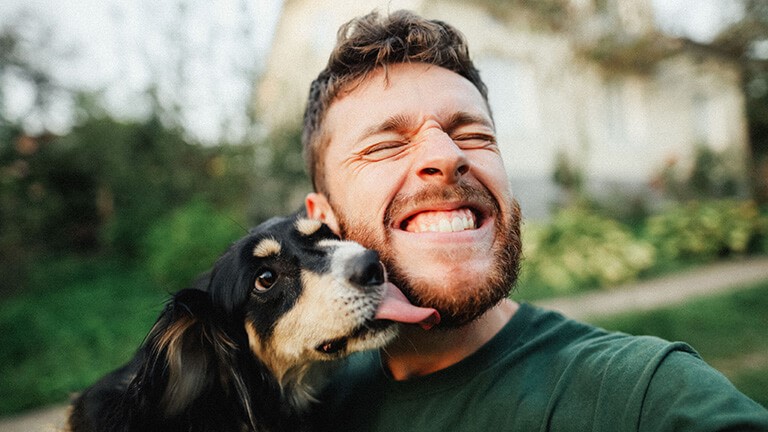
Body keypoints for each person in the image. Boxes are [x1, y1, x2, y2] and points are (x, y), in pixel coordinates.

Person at [301, 9, 768, 431]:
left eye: (474, 134)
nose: (448, 155)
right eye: (386, 145)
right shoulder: (303, 402)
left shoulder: (643, 397)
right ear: (321, 222)